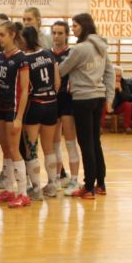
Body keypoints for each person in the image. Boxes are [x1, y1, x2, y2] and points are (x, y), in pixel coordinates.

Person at [57, 13, 114, 198]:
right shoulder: (101, 46)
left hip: (82, 98)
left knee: (86, 143)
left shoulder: (80, 49)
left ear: (84, 26)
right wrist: (110, 98)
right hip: (99, 97)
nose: (73, 29)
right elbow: (110, 72)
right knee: (95, 141)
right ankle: (100, 183)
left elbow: (62, 70)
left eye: (75, 26)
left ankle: (88, 186)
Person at [0, 21, 32, 207]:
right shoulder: (0, 56)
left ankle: (23, 193)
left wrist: (19, 117)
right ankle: (8, 189)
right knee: (5, 149)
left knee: (14, 149)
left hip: (13, 108)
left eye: (2, 35)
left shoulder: (21, 58)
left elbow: (24, 90)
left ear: (12, 35)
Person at [21, 26, 60, 195]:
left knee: (31, 148)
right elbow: (57, 82)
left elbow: (24, 87)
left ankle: (36, 188)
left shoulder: (25, 59)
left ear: (25, 39)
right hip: (51, 103)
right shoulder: (49, 54)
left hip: (35, 104)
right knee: (49, 147)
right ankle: (52, 185)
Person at [51, 21, 81, 189]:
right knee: (54, 143)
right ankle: (57, 177)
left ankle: (75, 180)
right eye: (54, 33)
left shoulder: (72, 53)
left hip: (68, 99)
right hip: (52, 100)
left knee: (70, 141)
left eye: (60, 33)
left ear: (67, 34)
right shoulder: (47, 54)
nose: (56, 36)